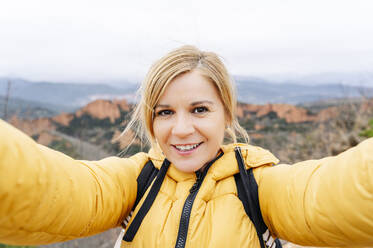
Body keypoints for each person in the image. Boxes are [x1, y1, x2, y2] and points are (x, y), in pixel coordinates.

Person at [0, 45, 372, 248]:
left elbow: (338, 194)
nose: (180, 129)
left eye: (199, 109)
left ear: (226, 115)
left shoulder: (259, 186)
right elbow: (47, 189)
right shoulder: (137, 181)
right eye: (164, 112)